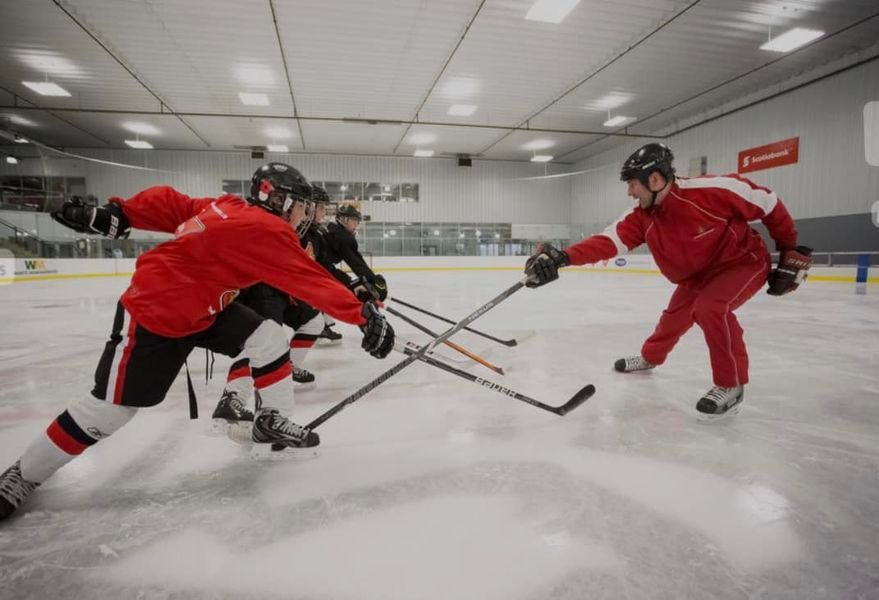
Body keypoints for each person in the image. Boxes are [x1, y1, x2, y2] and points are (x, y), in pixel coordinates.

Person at [0, 162, 395, 521]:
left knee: (269, 337)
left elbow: (172, 203)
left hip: (205, 306)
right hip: (158, 310)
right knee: (109, 411)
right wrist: (362, 317)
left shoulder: (227, 206)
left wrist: (121, 212)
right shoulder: (268, 229)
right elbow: (306, 278)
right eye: (301, 207)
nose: (305, 217)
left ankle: (271, 417)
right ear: (278, 199)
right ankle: (23, 475)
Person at [525, 143, 811, 417]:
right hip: (697, 275)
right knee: (673, 318)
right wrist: (563, 258)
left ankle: (731, 383)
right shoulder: (640, 216)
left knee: (711, 309)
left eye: (633, 183)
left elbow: (768, 203)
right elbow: (608, 242)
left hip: (741, 263)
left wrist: (788, 249)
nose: (629, 192)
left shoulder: (712, 191)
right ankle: (651, 358)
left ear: (655, 179)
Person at [319, 203, 389, 343]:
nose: (357, 224)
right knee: (352, 290)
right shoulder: (342, 236)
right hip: (320, 269)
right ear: (344, 219)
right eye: (354, 220)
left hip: (322, 267)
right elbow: (357, 264)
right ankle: (370, 327)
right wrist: (374, 281)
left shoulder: (333, 230)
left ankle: (322, 326)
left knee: (346, 283)